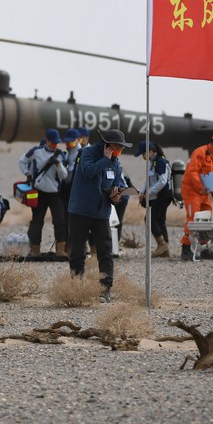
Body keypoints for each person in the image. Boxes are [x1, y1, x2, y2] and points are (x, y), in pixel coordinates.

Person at [67, 128, 130, 302]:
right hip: (80, 210)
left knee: (105, 252)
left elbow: (115, 186)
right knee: (78, 252)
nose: (121, 151)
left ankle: (105, 289)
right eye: (118, 147)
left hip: (101, 213)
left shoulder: (116, 164)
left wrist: (115, 198)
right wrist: (104, 160)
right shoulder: (87, 153)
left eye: (122, 148)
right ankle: (76, 287)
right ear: (108, 145)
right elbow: (88, 172)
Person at [179, 130, 213, 261]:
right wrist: (200, 187)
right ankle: (186, 249)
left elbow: (211, 177)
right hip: (192, 191)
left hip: (203, 193)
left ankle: (204, 249)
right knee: (193, 218)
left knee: (207, 218)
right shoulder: (200, 153)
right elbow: (191, 173)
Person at [18, 129, 68, 256]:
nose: (55, 145)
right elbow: (21, 161)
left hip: (55, 194)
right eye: (52, 143)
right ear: (47, 141)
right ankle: (35, 250)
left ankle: (61, 251)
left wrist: (58, 165)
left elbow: (63, 176)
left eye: (56, 143)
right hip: (39, 193)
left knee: (60, 221)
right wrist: (27, 174)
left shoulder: (60, 155)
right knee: (37, 221)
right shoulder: (36, 152)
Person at [136, 141, 173, 258]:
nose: (143, 157)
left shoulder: (160, 162)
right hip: (157, 195)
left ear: (150, 152)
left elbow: (162, 181)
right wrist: (142, 191)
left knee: (150, 219)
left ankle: (162, 245)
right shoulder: (152, 163)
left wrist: (150, 192)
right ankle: (165, 249)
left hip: (163, 195)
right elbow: (148, 180)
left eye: (144, 154)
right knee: (160, 219)